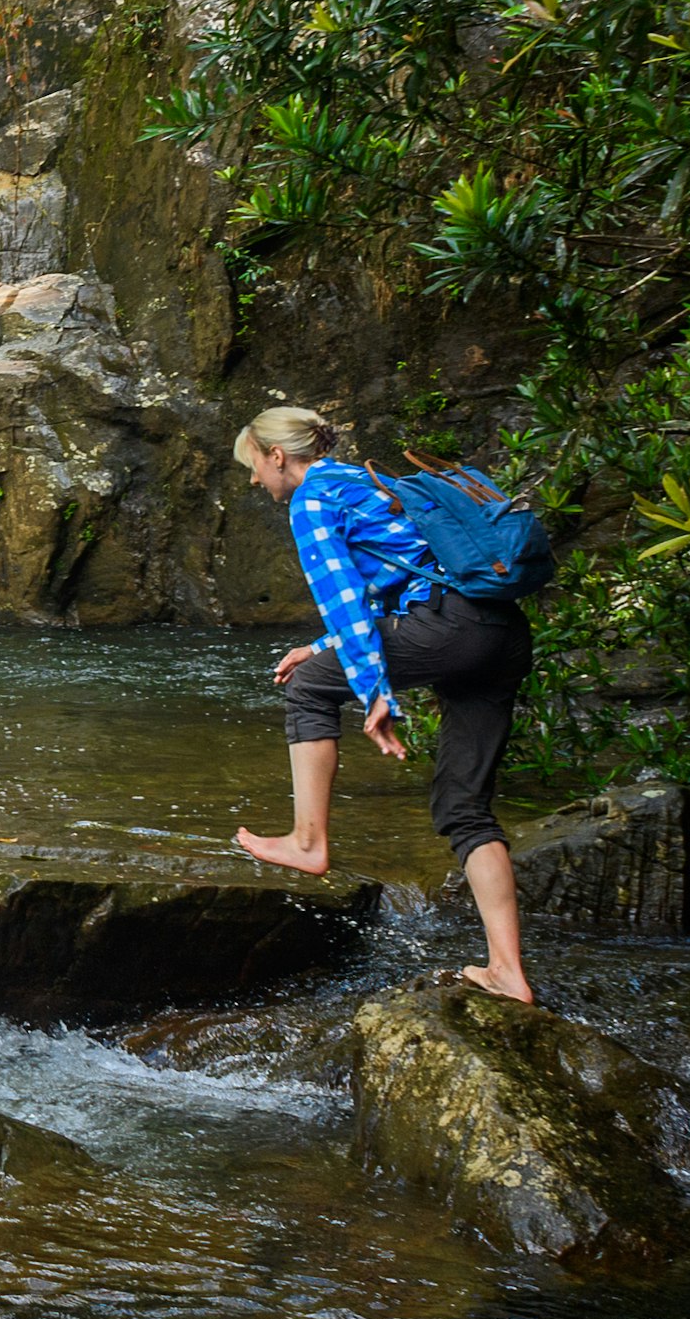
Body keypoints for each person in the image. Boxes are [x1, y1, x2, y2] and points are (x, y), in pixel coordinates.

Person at [227, 405, 540, 1004]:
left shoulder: (312, 499)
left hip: (449, 628)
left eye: (253, 467)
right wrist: (321, 647)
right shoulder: (366, 482)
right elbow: (393, 583)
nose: (254, 482)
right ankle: (508, 971)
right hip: (500, 632)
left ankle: (307, 841)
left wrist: (372, 689)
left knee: (310, 688)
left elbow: (344, 599)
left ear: (276, 456)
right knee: (464, 808)